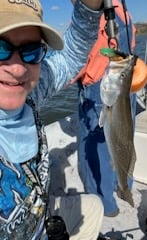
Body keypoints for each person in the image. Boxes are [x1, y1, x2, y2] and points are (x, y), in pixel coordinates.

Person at [0, 0, 105, 239]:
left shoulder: (30, 93)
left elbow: (70, 56)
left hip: (39, 216)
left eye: (31, 50)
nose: (18, 69)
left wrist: (89, 6)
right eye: (0, 48)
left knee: (94, 207)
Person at [76, 0, 136, 217]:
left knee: (97, 144)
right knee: (123, 139)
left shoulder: (108, 9)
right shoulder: (121, 8)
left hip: (106, 84)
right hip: (124, 78)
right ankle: (124, 184)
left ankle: (104, 202)